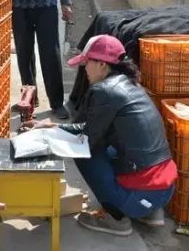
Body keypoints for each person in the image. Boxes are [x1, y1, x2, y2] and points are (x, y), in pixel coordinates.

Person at [22, 35, 178, 236]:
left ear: (102, 64)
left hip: (143, 193)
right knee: (108, 148)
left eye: (87, 63)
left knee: (82, 152)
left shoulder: (105, 91)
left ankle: (117, 219)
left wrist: (50, 138)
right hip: (164, 190)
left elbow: (86, 140)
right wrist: (52, 125)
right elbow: (92, 128)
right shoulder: (130, 85)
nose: (84, 69)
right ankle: (150, 213)